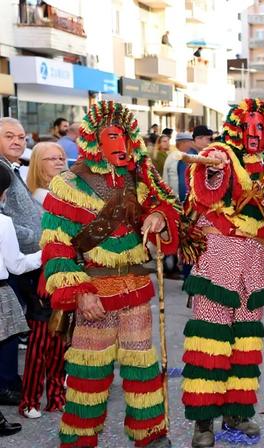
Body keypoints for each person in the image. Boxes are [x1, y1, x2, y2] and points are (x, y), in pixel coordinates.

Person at [41, 101, 181, 447]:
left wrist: (160, 217)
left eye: (127, 136)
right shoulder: (68, 184)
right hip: (95, 294)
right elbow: (56, 246)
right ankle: (78, 441)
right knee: (89, 373)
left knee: (143, 367)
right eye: (113, 136)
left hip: (135, 287)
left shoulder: (140, 177)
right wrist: (80, 291)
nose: (123, 144)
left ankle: (150, 434)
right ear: (95, 140)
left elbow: (166, 207)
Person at [180, 98, 264, 447]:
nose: (254, 133)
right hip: (218, 257)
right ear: (237, 128)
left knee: (246, 344)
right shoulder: (222, 153)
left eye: (261, 126)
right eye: (248, 126)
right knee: (209, 342)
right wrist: (215, 167)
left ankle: (237, 411)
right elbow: (204, 186)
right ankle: (203, 421)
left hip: (254, 261)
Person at [18, 141, 68, 419]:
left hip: (64, 270)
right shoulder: (39, 194)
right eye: (52, 158)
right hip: (41, 273)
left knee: (60, 339)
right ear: (39, 163)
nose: (59, 162)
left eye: (61, 157)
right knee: (40, 341)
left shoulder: (65, 191)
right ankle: (30, 400)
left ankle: (56, 396)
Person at [0, 117, 43, 405]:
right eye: (9, 136)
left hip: (23, 255)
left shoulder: (11, 167)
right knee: (8, 330)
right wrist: (35, 237)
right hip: (13, 261)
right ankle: (7, 384)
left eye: (21, 136)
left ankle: (10, 381)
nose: (18, 141)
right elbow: (4, 221)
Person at [163, 132, 194, 199]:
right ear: (182, 143)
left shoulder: (189, 156)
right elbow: (166, 178)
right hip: (176, 197)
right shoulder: (173, 157)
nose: (191, 145)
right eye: (189, 142)